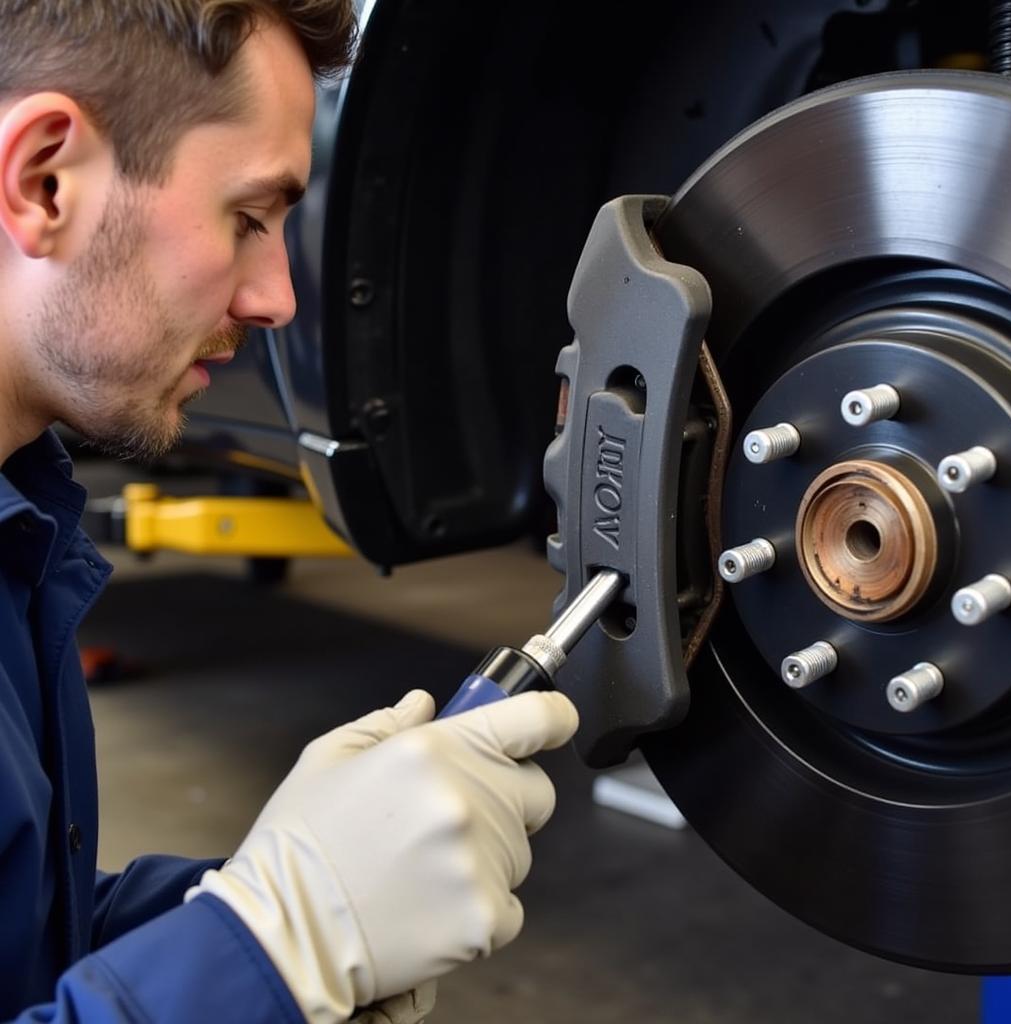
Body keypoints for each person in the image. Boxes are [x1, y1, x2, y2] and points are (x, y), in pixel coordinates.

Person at [0, 2, 580, 1021]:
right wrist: (275, 948)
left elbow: (21, 944)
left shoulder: (20, 523)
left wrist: (281, 892)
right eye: (248, 218)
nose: (278, 297)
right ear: (45, 180)